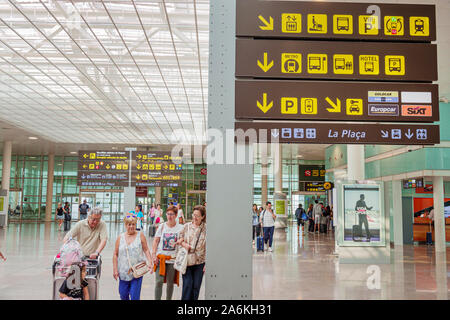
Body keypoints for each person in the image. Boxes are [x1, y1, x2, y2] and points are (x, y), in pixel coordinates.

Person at [113, 214, 153, 300]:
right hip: (123, 272)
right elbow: (115, 254)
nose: (131, 226)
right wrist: (115, 269)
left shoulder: (140, 235)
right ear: (125, 225)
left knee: (135, 296)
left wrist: (150, 262)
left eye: (133, 224)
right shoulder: (120, 237)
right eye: (129, 224)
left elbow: (146, 250)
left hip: (137, 271)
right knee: (123, 295)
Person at [151, 205, 183, 300]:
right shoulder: (162, 226)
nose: (169, 216)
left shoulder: (180, 228)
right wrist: (153, 254)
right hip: (160, 258)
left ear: (176, 215)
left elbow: (183, 238)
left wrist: (180, 240)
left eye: (172, 214)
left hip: (172, 260)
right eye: (168, 214)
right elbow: (156, 241)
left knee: (170, 283)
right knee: (158, 281)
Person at [179, 205, 206, 300]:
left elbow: (210, 247)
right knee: (187, 285)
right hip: (187, 261)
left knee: (196, 287)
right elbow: (179, 238)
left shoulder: (206, 229)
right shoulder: (186, 227)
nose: (195, 217)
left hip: (200, 262)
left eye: (197, 215)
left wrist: (208, 264)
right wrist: (183, 243)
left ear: (202, 216)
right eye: (194, 214)